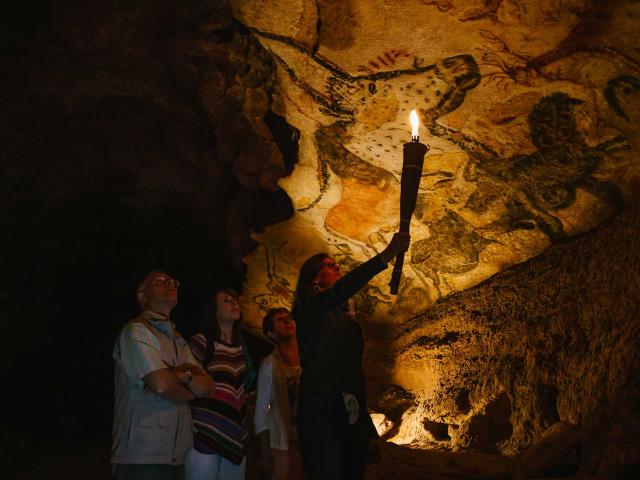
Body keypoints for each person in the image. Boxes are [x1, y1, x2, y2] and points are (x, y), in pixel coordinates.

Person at [293, 233, 410, 480]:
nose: (336, 266)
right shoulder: (309, 308)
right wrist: (385, 256)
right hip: (322, 406)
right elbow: (342, 288)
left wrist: (365, 427)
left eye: (335, 263)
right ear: (314, 276)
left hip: (348, 407)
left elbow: (352, 371)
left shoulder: (343, 318)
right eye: (328, 264)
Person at [112, 270, 213, 480]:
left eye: (173, 282)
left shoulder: (178, 339)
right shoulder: (136, 331)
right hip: (142, 456)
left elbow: (208, 386)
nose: (171, 284)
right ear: (142, 295)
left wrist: (181, 377)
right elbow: (161, 385)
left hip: (176, 456)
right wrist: (189, 386)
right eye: (160, 281)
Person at [185, 288, 258, 480]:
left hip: (236, 436)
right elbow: (186, 383)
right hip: (205, 433)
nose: (234, 302)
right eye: (226, 300)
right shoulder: (201, 342)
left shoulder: (242, 349)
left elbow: (241, 390)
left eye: (235, 299)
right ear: (215, 311)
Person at [254, 308, 302, 480]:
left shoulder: (310, 358)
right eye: (280, 320)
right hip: (282, 442)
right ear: (271, 334)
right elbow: (261, 412)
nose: (287, 321)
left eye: (289, 318)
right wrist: (265, 453)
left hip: (312, 437)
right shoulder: (269, 365)